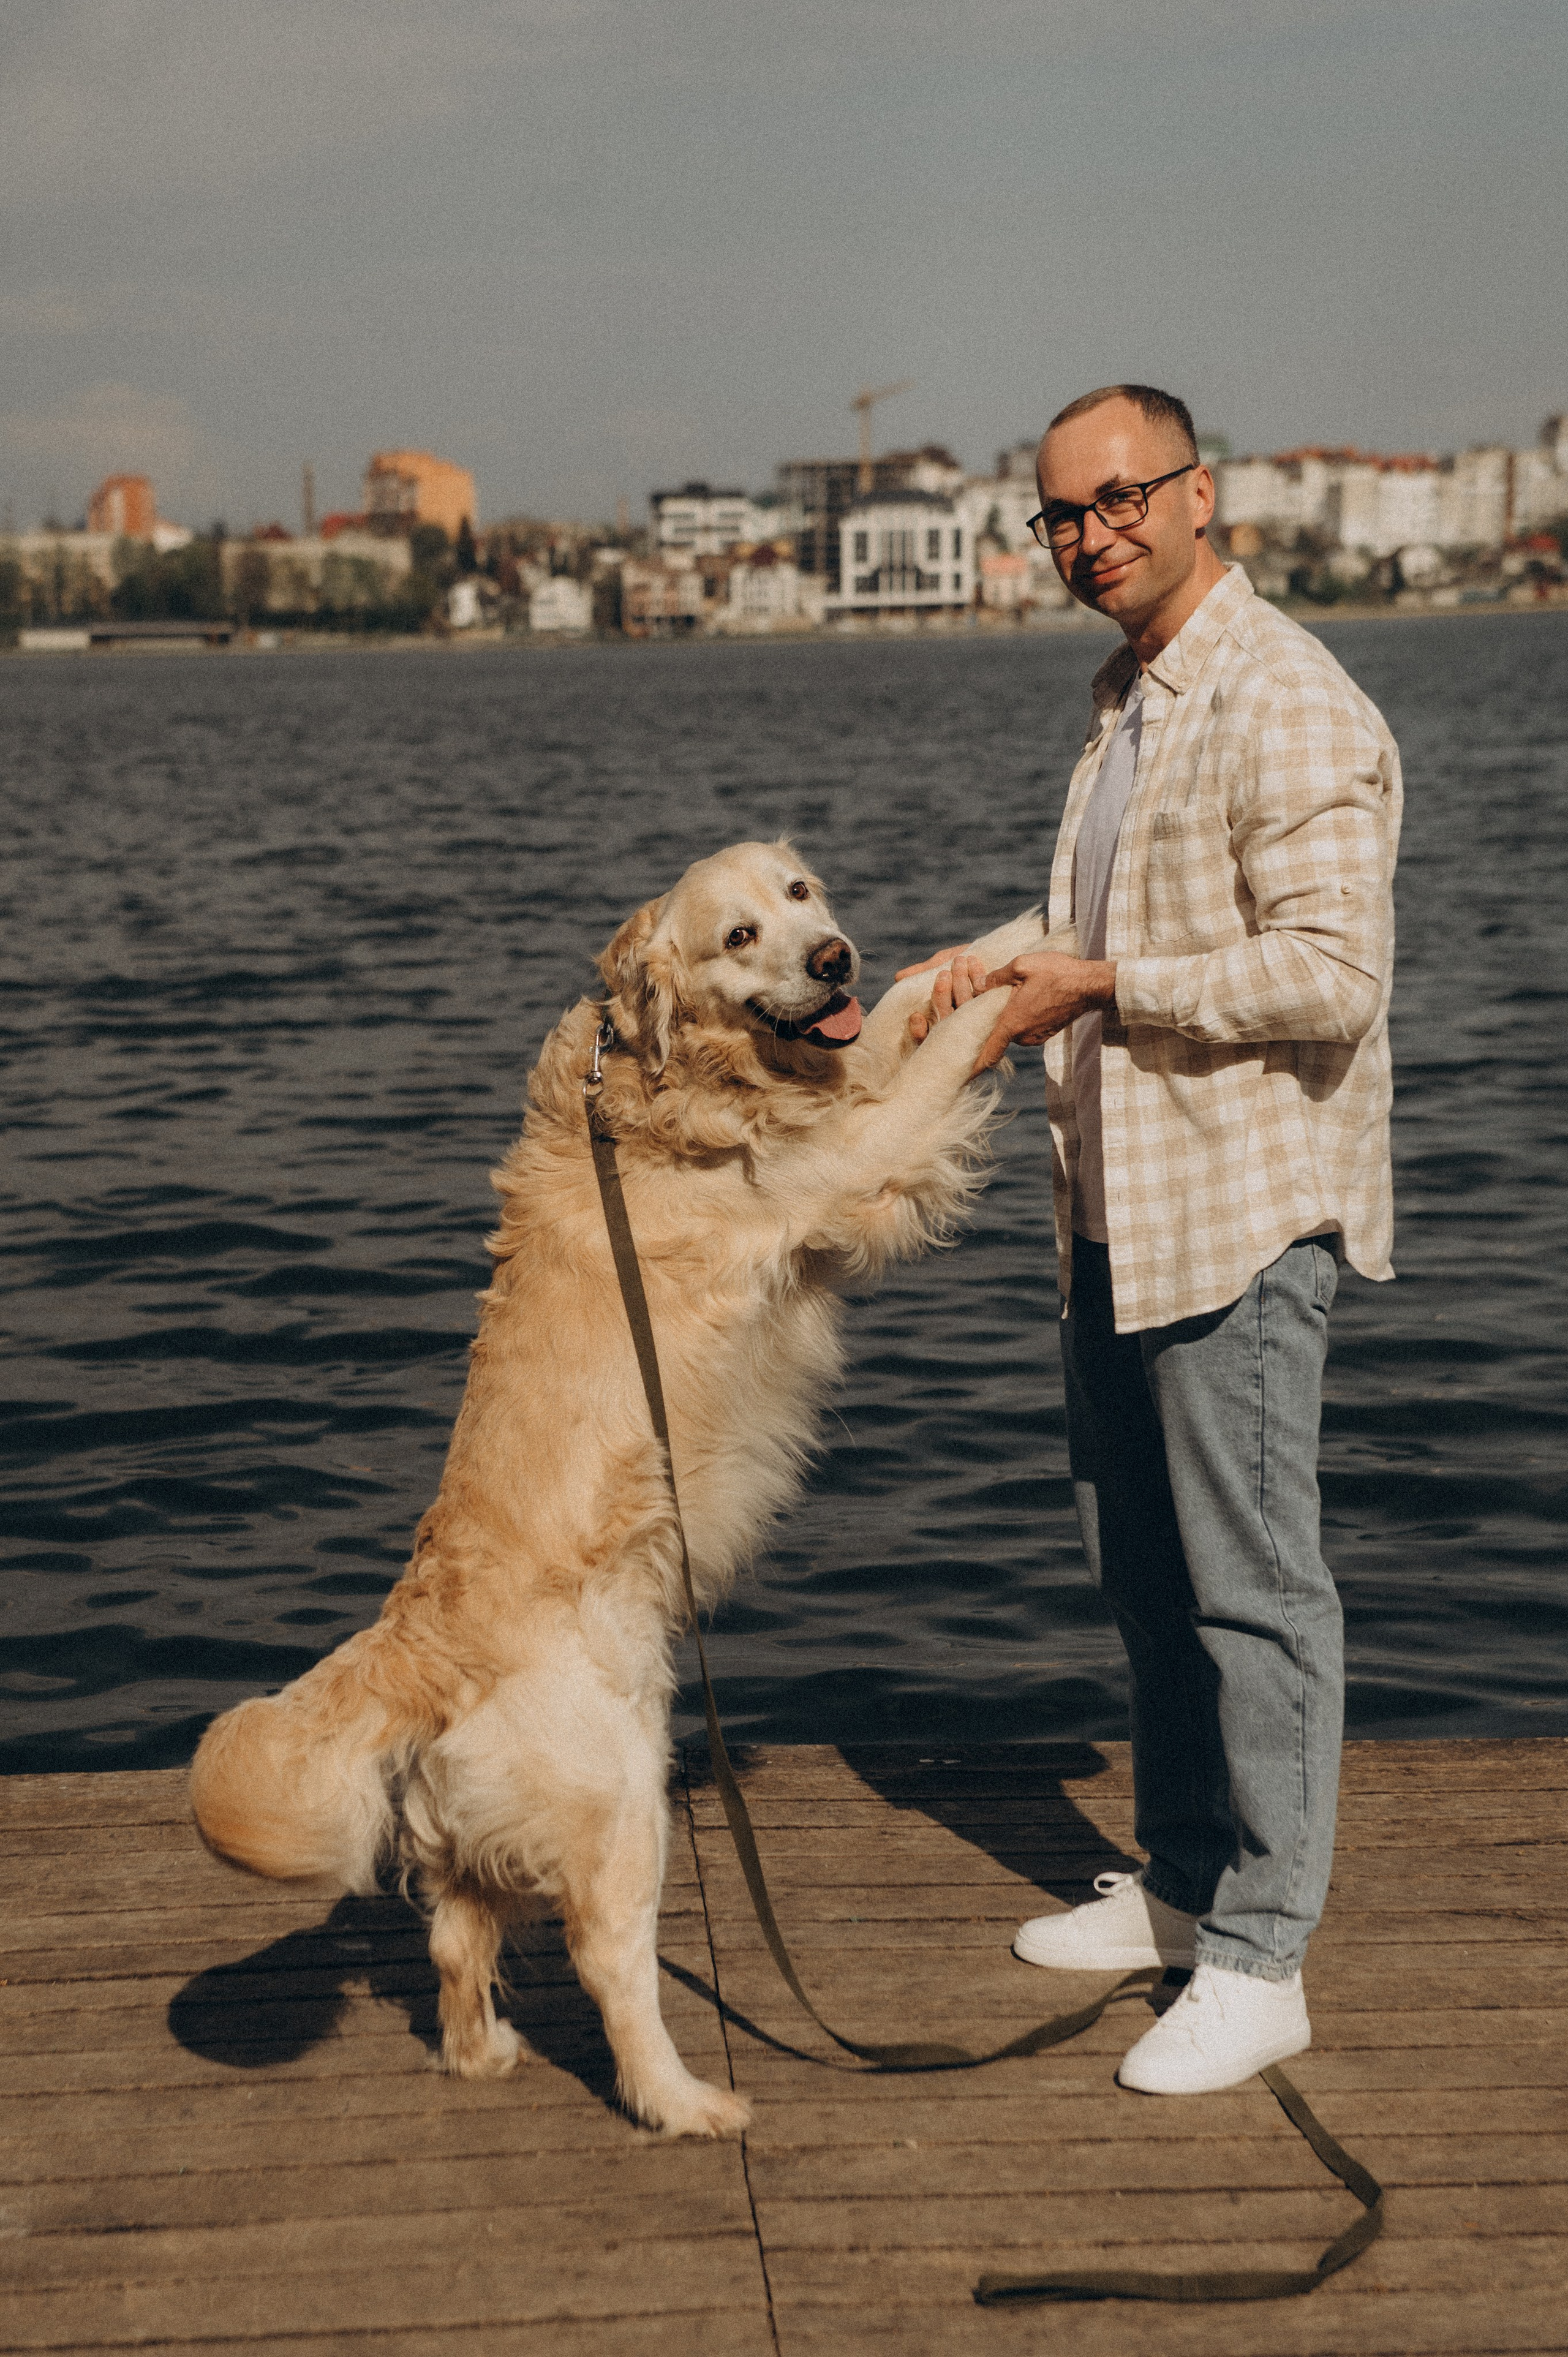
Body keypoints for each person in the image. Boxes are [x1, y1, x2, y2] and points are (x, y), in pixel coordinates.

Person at [903, 383, 1401, 2095]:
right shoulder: (1128, 702)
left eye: (1122, 499)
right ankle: (1186, 1883)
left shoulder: (1286, 699)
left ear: (1203, 495)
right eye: (1060, 514)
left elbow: (1335, 971)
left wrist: (1101, 984)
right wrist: (965, 984)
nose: (1091, 534)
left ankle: (1265, 1957)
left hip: (1241, 1217)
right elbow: (1098, 926)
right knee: (1145, 1574)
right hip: (1115, 1206)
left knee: (1255, 1589)